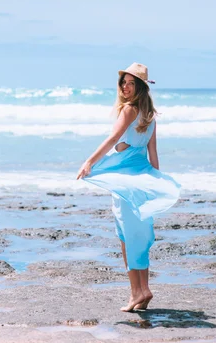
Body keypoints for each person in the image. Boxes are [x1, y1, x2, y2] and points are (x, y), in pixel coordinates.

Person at [76, 62, 181, 312]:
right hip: (141, 176)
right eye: (123, 81)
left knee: (127, 236)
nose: (125, 86)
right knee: (137, 235)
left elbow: (113, 139)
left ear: (141, 87)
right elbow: (152, 155)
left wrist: (89, 161)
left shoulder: (129, 111)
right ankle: (142, 291)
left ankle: (138, 292)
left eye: (131, 82)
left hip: (126, 178)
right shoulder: (150, 116)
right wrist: (156, 183)